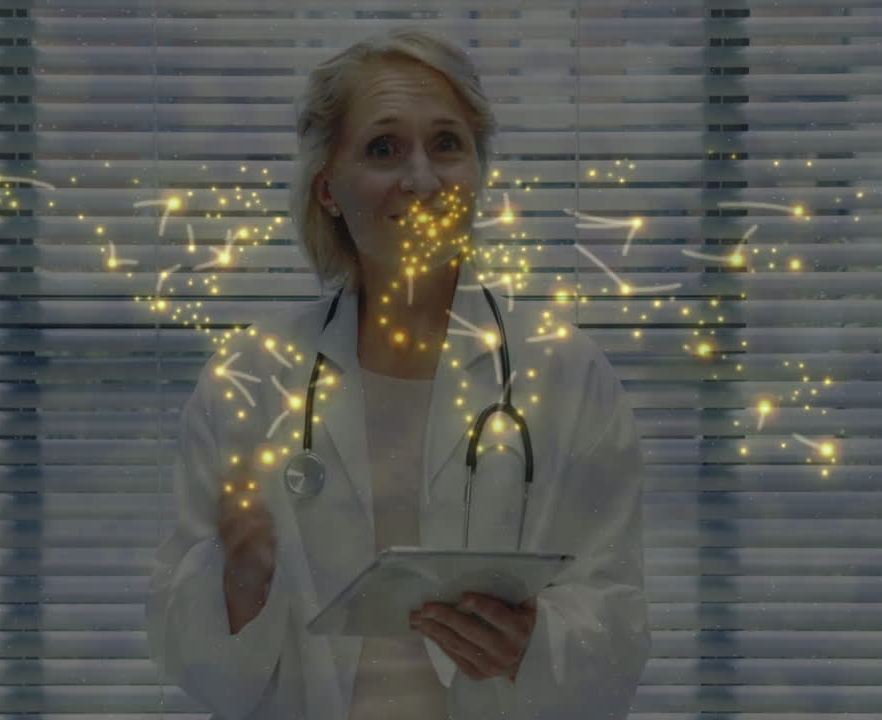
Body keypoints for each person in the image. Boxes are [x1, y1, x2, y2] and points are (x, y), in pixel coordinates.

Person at [145, 27, 650, 720]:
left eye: (447, 144)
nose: (422, 179)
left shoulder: (567, 373)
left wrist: (534, 645)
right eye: (383, 148)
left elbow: (618, 627)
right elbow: (196, 669)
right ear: (327, 188)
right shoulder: (253, 377)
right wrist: (238, 582)